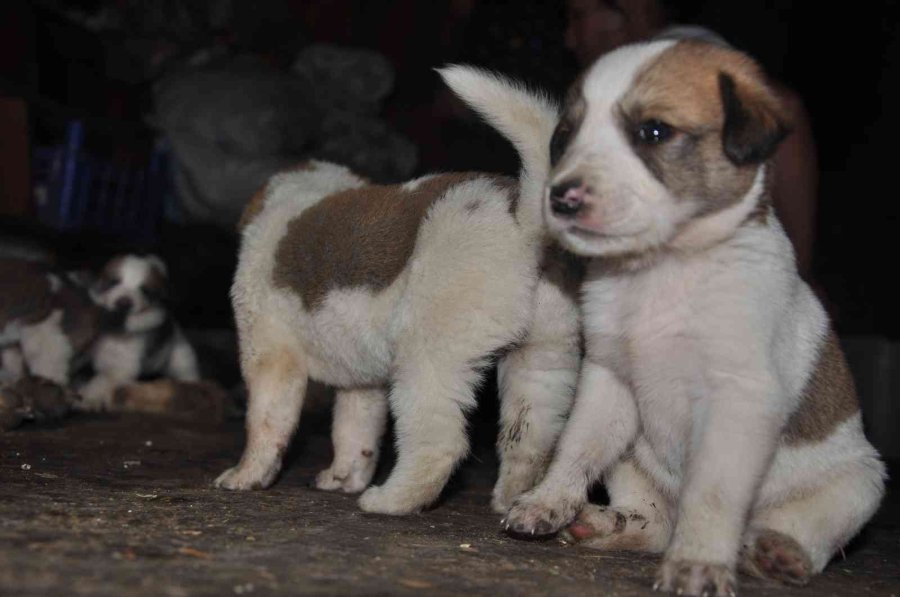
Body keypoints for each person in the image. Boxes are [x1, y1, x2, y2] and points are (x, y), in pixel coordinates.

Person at [564, 0, 820, 280]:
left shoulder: (679, 58)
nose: (570, 38)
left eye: (578, 17)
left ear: (624, 14)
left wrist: (799, 274)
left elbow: (784, 104)